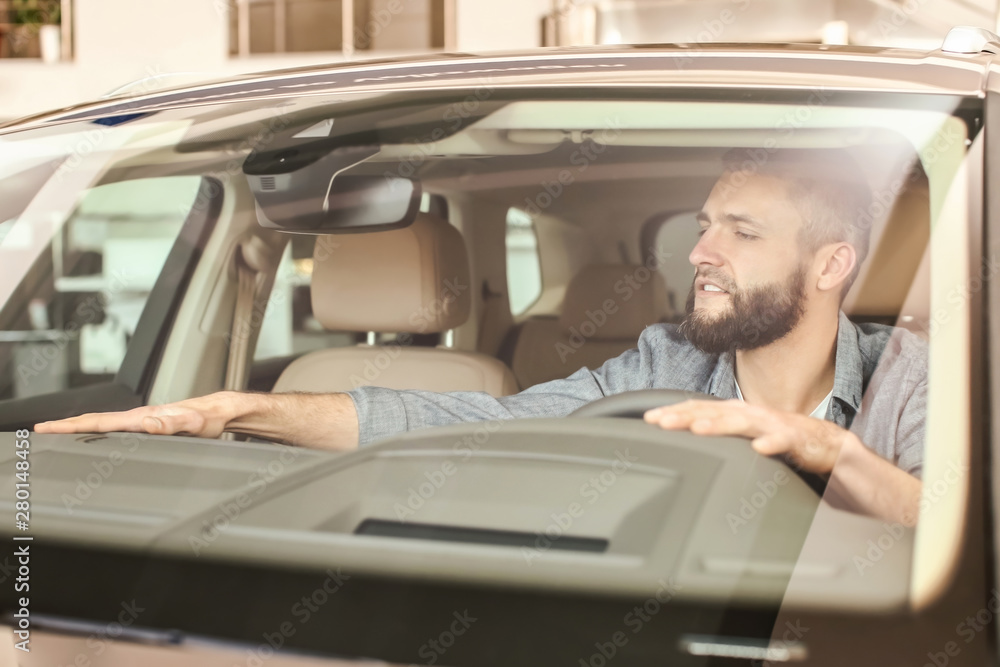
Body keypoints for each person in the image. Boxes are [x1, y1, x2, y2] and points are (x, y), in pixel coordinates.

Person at [35, 148, 926, 526]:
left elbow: (956, 534)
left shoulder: (912, 376)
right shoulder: (668, 363)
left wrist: (824, 447)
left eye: (743, 231)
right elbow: (481, 423)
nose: (701, 250)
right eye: (703, 224)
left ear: (830, 264)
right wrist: (242, 410)